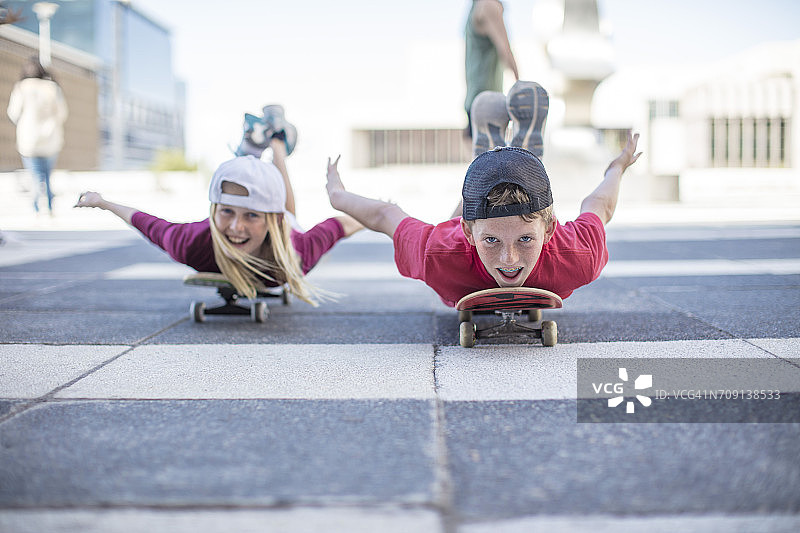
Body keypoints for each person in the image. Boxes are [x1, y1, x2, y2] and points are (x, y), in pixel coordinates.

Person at [325, 103, 641, 307]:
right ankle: (502, 158)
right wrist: (338, 197)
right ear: (469, 233)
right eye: (492, 240)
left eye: (525, 239)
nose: (509, 259)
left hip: (482, 227)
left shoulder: (577, 255)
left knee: (485, 200)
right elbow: (385, 216)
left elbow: (600, 205)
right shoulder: (439, 253)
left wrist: (617, 168)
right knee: (455, 217)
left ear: (549, 230)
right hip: (462, 236)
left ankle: (496, 157)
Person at [75, 137, 362, 306]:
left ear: (270, 221)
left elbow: (343, 225)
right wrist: (103, 202)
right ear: (213, 210)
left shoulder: (298, 253)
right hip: (266, 222)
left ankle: (277, 147)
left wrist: (378, 217)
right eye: (226, 212)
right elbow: (146, 222)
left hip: (282, 228)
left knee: (289, 214)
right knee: (258, 198)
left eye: (251, 215)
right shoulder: (192, 242)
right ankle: (252, 154)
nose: (235, 227)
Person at [7, 56, 69, 216]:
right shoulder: (52, 87)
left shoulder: (21, 87)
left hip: (28, 139)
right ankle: (50, 207)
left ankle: (36, 209)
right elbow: (62, 113)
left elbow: (13, 113)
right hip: (51, 138)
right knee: (47, 176)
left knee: (35, 176)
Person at [464, 0, 519, 139]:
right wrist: (520, 86)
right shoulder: (488, 5)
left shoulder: (478, 6)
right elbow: (505, 50)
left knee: (477, 148)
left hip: (476, 97)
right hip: (486, 99)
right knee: (487, 150)